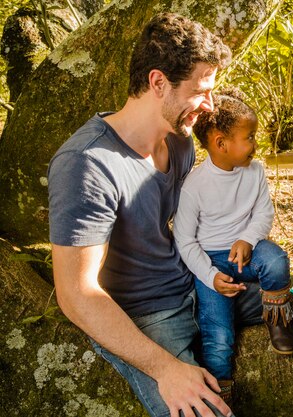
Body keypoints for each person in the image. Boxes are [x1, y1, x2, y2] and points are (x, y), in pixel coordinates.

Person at [48, 13, 234, 417]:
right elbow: (76, 295)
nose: (210, 105)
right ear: (157, 82)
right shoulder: (86, 164)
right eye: (202, 91)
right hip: (145, 316)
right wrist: (166, 369)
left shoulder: (180, 143)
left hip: (195, 284)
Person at [173, 90, 293, 404]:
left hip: (247, 252)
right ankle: (219, 398)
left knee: (276, 261)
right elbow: (185, 241)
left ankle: (276, 320)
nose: (256, 145)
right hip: (212, 265)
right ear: (220, 143)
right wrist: (209, 275)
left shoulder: (254, 172)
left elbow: (263, 213)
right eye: (250, 137)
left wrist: (247, 239)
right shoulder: (195, 186)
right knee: (218, 338)